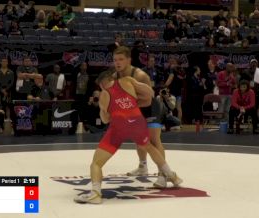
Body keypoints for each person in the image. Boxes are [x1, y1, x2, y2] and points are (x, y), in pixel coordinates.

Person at [74, 70, 182, 204]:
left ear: (102, 84)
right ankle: (172, 175)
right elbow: (149, 93)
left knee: (96, 163)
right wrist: (134, 102)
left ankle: (95, 193)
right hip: (137, 121)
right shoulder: (127, 81)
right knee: (149, 146)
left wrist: (110, 108)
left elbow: (105, 120)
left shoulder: (104, 94)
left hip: (118, 127)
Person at [113, 46, 168, 188]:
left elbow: (148, 100)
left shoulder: (140, 76)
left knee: (154, 141)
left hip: (150, 109)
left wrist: (127, 105)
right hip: (135, 109)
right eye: (115, 60)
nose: (117, 62)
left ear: (129, 60)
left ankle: (163, 174)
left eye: (121, 59)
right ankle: (143, 166)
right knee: (139, 139)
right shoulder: (115, 76)